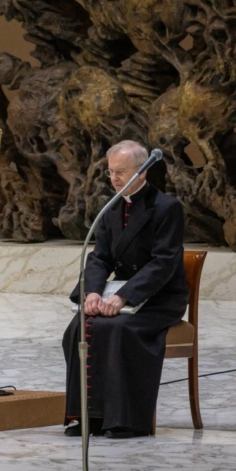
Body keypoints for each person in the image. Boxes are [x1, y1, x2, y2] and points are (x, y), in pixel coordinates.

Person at [61, 140, 187, 439]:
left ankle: (128, 420)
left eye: (121, 172)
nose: (115, 178)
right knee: (78, 328)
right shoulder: (112, 207)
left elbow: (164, 262)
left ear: (142, 172)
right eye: (111, 172)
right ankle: (89, 416)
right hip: (119, 294)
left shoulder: (167, 208)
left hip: (159, 297)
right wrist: (92, 292)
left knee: (120, 329)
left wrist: (124, 296)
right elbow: (99, 257)